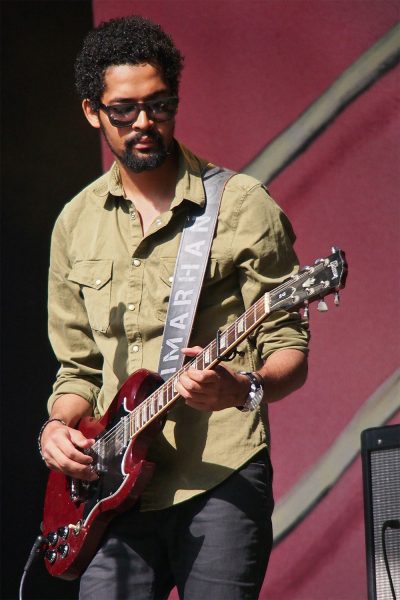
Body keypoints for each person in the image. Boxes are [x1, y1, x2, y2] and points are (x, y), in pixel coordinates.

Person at [39, 14, 309, 600]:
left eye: (160, 105)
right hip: (109, 491)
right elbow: (78, 370)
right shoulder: (75, 223)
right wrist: (57, 430)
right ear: (92, 112)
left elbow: (289, 350)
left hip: (218, 477)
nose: (144, 123)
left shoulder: (241, 205)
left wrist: (242, 388)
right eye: (124, 110)